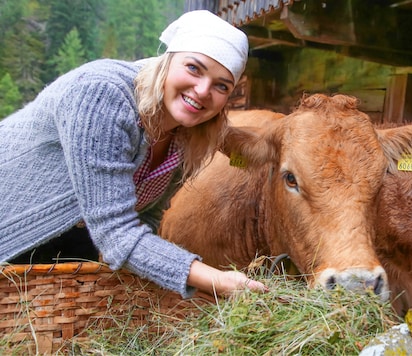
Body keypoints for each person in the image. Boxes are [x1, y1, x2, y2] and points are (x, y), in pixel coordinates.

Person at [0, 10, 267, 298]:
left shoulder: (189, 132)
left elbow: (146, 217)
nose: (203, 90)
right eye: (193, 68)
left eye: (221, 85)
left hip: (75, 237)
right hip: (15, 229)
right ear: (167, 60)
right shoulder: (102, 96)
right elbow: (116, 233)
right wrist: (215, 279)